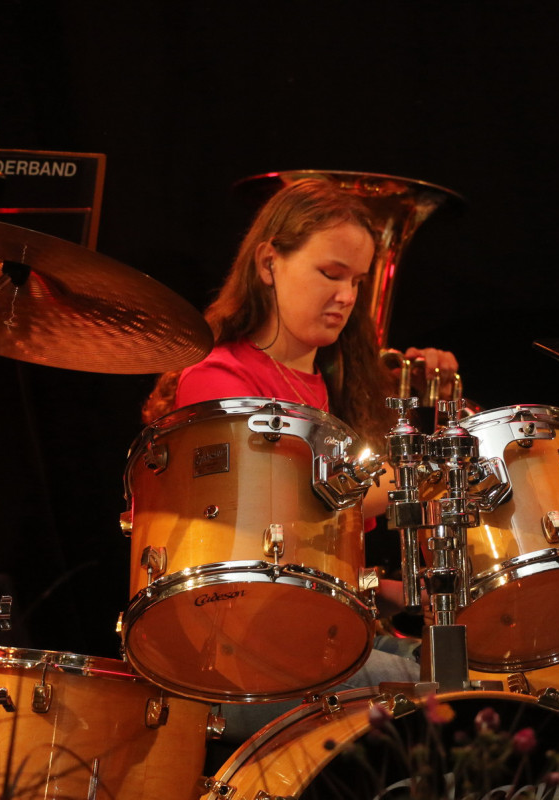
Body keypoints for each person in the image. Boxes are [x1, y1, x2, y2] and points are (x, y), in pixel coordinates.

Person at [142, 177, 457, 740]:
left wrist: (408, 593)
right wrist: (422, 469)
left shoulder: (324, 387)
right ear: (269, 263)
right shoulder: (217, 380)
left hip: (310, 639)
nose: (347, 297)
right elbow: (284, 523)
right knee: (451, 695)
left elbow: (325, 559)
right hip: (240, 658)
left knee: (469, 666)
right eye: (331, 274)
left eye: (356, 281)